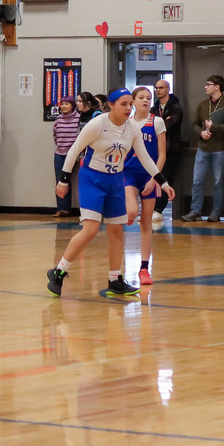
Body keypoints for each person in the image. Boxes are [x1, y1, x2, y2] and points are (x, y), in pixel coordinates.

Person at [46, 88, 175, 297]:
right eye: (123, 104)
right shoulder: (98, 123)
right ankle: (59, 271)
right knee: (90, 229)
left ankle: (115, 280)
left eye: (130, 104)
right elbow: (75, 148)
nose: (128, 108)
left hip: (116, 180)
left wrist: (163, 182)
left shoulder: (132, 127)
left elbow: (144, 157)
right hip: (92, 179)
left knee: (116, 231)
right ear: (111, 105)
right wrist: (63, 179)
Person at [124, 87, 166, 286]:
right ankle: (125, 214)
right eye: (141, 97)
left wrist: (155, 179)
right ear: (133, 101)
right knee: (132, 211)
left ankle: (144, 269)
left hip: (149, 176)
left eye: (148, 98)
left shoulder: (156, 121)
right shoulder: (126, 124)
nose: (146, 100)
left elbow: (162, 154)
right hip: (128, 174)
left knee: (146, 223)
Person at [182, 75, 224, 222]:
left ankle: (216, 212)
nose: (205, 87)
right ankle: (195, 211)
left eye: (208, 84)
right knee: (197, 181)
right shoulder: (202, 105)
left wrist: (214, 128)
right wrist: (201, 132)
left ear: (217, 87)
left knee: (218, 182)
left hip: (220, 148)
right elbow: (194, 124)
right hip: (203, 148)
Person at [151, 79, 184, 221]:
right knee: (154, 177)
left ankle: (159, 209)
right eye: (156, 88)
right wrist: (162, 121)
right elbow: (152, 125)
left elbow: (166, 125)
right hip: (156, 149)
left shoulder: (176, 106)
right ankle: (152, 208)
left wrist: (161, 122)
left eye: (161, 88)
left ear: (167, 89)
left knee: (166, 178)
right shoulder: (154, 107)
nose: (158, 90)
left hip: (172, 149)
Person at [52, 96, 80, 216]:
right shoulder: (58, 119)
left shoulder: (79, 118)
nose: (63, 106)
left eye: (66, 104)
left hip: (74, 154)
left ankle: (82, 208)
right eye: (62, 104)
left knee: (78, 180)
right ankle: (62, 208)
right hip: (59, 153)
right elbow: (55, 135)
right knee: (60, 181)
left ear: (72, 105)